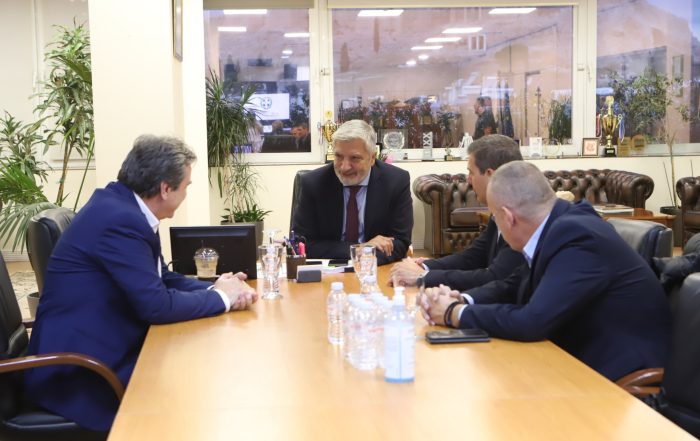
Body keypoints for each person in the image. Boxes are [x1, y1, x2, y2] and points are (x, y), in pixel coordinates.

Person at [24, 135, 258, 432]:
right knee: (192, 393)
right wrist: (223, 299)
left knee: (197, 368)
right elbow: (156, 306)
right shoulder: (120, 220)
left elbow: (161, 277)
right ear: (165, 188)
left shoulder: (122, 206)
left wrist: (218, 288)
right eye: (186, 186)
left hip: (102, 346)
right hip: (79, 373)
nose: (186, 193)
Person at [420, 161, 671, 381]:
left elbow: (532, 321)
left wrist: (454, 313)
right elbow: (515, 284)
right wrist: (462, 300)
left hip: (618, 380)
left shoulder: (577, 237)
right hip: (573, 357)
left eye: (495, 217)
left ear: (508, 218)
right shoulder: (560, 225)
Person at [389, 134, 525, 291]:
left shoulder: (519, 217)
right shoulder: (500, 208)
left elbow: (495, 278)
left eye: (471, 173)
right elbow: (475, 256)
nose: (468, 180)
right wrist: (425, 265)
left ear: (490, 175)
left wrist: (423, 276)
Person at [292, 119, 413, 265]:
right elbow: (300, 244)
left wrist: (366, 261)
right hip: (328, 269)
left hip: (374, 268)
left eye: (354, 158)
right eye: (338, 156)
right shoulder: (313, 183)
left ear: (372, 157)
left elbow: (400, 241)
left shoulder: (396, 181)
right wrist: (361, 249)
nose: (344, 167)